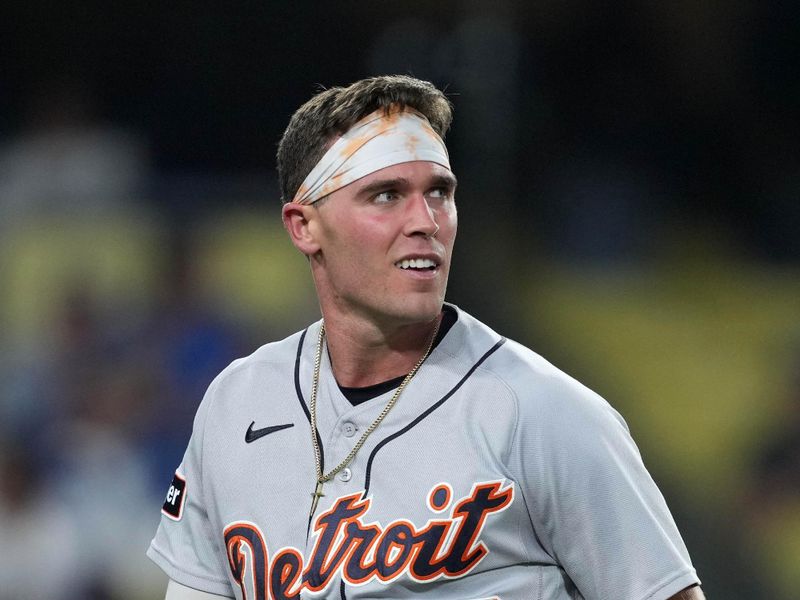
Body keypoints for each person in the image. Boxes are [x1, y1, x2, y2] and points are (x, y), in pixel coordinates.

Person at [147, 75, 704, 600]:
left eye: (439, 192)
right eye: (386, 195)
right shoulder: (234, 403)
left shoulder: (544, 412)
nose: (426, 221)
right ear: (304, 226)